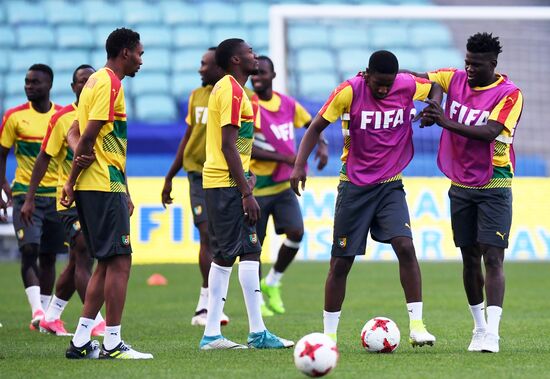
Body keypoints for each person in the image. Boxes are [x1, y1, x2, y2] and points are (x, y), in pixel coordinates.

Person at [290, 50, 441, 346]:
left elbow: (437, 83)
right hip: (354, 187)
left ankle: (418, 326)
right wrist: (299, 165)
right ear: (367, 74)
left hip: (390, 185)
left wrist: (434, 104)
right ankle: (329, 335)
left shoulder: (407, 84)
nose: (384, 89)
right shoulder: (348, 91)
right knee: (341, 262)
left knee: (405, 247)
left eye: (388, 84)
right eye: (378, 84)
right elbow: (316, 127)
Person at [410, 32, 523, 353]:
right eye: (467, 62)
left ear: (493, 63)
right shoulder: (454, 78)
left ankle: (494, 334)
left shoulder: (510, 94)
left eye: (476, 64)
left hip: (495, 183)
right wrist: (432, 95)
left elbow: (489, 132)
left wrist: (443, 119)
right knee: (469, 257)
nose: (469, 69)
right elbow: (419, 79)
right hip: (460, 184)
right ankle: (478, 328)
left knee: (493, 256)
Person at [61, 28, 152, 359]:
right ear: (125, 53)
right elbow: (85, 137)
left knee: (106, 262)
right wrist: (71, 180)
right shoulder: (110, 83)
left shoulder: (93, 83)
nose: (142, 60)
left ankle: (81, 340)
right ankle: (113, 341)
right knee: (121, 262)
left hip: (102, 184)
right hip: (100, 184)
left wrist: (122, 189)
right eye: (140, 54)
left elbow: (75, 132)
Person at [199, 38, 293, 350]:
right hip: (225, 186)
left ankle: (244, 332)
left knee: (240, 252)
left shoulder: (235, 90)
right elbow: (227, 144)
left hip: (227, 182)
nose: (254, 55)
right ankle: (222, 333)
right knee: (235, 253)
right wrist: (245, 192)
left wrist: (247, 173)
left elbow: (234, 145)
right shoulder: (230, 89)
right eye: (249, 51)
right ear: (236, 60)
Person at [20, 64, 106, 337]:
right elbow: (44, 157)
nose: (84, 86)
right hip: (68, 199)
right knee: (83, 252)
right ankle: (95, 321)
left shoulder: (101, 115)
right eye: (80, 82)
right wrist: (30, 197)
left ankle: (51, 315)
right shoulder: (62, 118)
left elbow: (114, 158)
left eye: (89, 81)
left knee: (75, 261)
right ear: (73, 87)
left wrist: (126, 193)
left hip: (97, 196)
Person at [250, 55, 328, 317]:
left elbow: (313, 124)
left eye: (262, 73)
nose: (256, 77)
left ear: (273, 75)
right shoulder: (248, 105)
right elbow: (246, 147)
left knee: (296, 232)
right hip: (256, 189)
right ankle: (256, 300)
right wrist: (285, 157)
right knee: (254, 248)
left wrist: (323, 145)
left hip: (283, 186)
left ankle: (271, 283)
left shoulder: (287, 104)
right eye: (254, 73)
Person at [161, 47, 230, 327]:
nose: (200, 69)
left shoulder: (234, 95)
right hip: (198, 174)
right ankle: (206, 304)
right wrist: (169, 176)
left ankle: (211, 303)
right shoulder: (196, 96)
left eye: (205, 64)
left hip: (225, 175)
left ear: (219, 67)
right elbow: (188, 137)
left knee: (220, 240)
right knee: (207, 235)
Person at [0, 64, 66, 330]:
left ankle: (46, 316)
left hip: (56, 196)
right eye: (27, 82)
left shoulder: (61, 116)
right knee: (29, 249)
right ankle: (38, 311)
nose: (29, 86)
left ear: (48, 85)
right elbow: (1, 152)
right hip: (25, 194)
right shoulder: (14, 117)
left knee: (49, 256)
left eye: (35, 82)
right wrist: (3, 183)